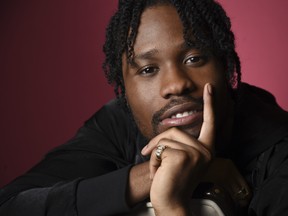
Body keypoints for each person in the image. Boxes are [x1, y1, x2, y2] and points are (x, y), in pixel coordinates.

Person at [1, 0, 288, 215]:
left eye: (194, 59)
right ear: (125, 90)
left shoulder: (279, 151)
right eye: (149, 69)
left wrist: (171, 206)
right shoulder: (119, 124)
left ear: (226, 67)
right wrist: (152, 175)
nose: (175, 85)